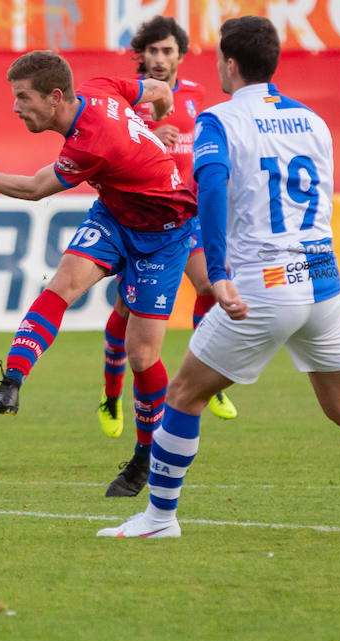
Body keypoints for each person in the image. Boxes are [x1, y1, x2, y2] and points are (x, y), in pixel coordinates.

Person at [97, 16, 340, 538]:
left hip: (263, 282)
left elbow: (210, 191)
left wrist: (218, 273)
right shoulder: (313, 121)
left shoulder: (219, 120)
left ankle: (159, 518)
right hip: (322, 278)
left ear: (230, 64)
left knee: (184, 395)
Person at [0, 50, 196, 480]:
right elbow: (155, 89)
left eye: (24, 97)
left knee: (141, 354)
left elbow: (34, 189)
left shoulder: (90, 144)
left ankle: (145, 456)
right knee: (61, 284)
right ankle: (12, 380)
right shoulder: (98, 87)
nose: (15, 107)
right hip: (117, 215)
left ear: (55, 96)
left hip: (164, 233)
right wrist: (161, 107)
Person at [97, 16, 238, 459]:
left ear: (180, 54)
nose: (159, 60)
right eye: (152, 52)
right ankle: (111, 394)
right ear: (141, 55)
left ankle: (207, 379)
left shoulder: (196, 95)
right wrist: (150, 138)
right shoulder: (127, 97)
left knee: (212, 286)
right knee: (125, 308)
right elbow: (113, 152)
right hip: (140, 216)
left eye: (167, 51)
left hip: (186, 213)